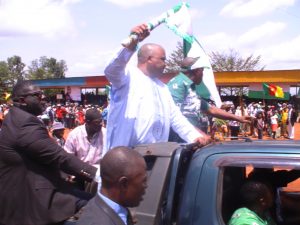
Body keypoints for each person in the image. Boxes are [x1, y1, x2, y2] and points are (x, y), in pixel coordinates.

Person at [0, 80, 97, 225]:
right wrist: (98, 175)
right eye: (38, 95)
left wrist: (66, 175)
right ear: (22, 100)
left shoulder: (16, 117)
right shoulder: (25, 124)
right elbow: (59, 157)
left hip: (35, 185)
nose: (43, 98)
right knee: (99, 209)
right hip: (29, 198)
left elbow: (39, 156)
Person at [104, 23, 210, 151]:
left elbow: (176, 119)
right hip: (124, 158)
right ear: (149, 59)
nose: (166, 64)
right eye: (163, 59)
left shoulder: (162, 88)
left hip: (156, 157)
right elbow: (111, 69)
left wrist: (195, 136)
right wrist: (131, 44)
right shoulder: (127, 77)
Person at [167, 57, 252, 142]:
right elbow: (174, 117)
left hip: (191, 139)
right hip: (179, 141)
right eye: (202, 71)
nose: (203, 75)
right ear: (197, 71)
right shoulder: (178, 84)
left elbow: (211, 109)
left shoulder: (191, 87)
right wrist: (199, 134)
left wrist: (238, 118)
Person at [76, 146, 147, 225]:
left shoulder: (114, 208)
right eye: (143, 181)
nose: (145, 186)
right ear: (124, 184)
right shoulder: (98, 221)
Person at [64, 108, 104, 192]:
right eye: (97, 122)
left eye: (101, 121)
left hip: (99, 174)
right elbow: (68, 157)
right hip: (79, 172)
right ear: (87, 122)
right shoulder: (74, 135)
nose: (101, 124)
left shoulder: (105, 134)